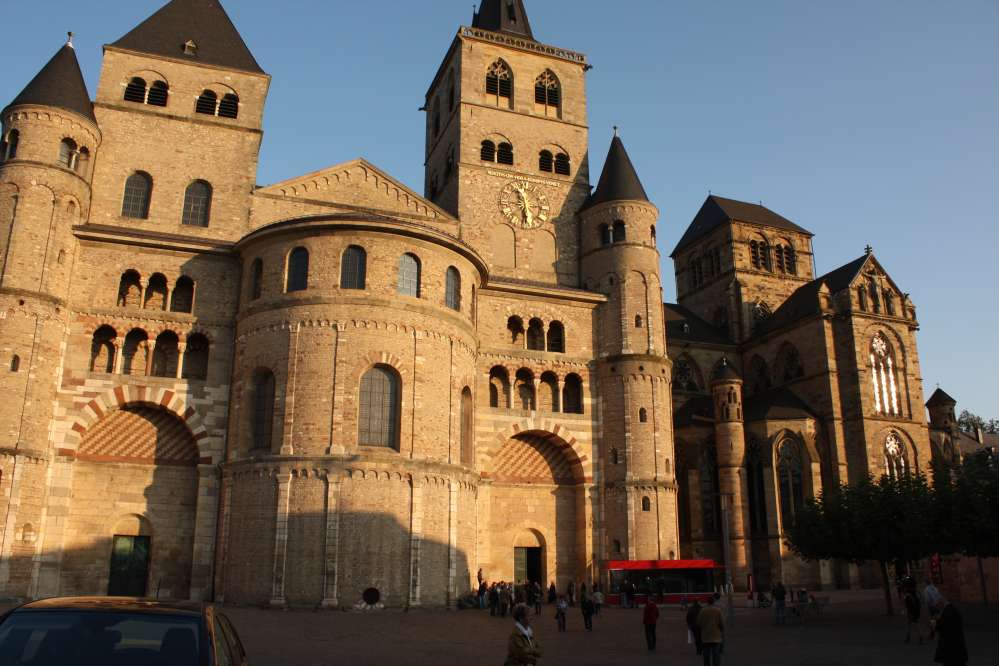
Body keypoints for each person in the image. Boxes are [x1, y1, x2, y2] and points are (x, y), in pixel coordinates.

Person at [933, 600, 967, 666]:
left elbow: (941, 627)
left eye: (937, 605)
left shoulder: (947, 612)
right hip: (956, 645)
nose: (937, 607)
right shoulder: (952, 609)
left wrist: (936, 622)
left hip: (950, 647)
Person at [697, 593, 725, 666]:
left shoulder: (703, 611)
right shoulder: (718, 611)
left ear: (707, 602)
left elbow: (699, 623)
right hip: (716, 636)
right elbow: (722, 623)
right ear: (713, 601)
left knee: (706, 655)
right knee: (716, 655)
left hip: (706, 636)